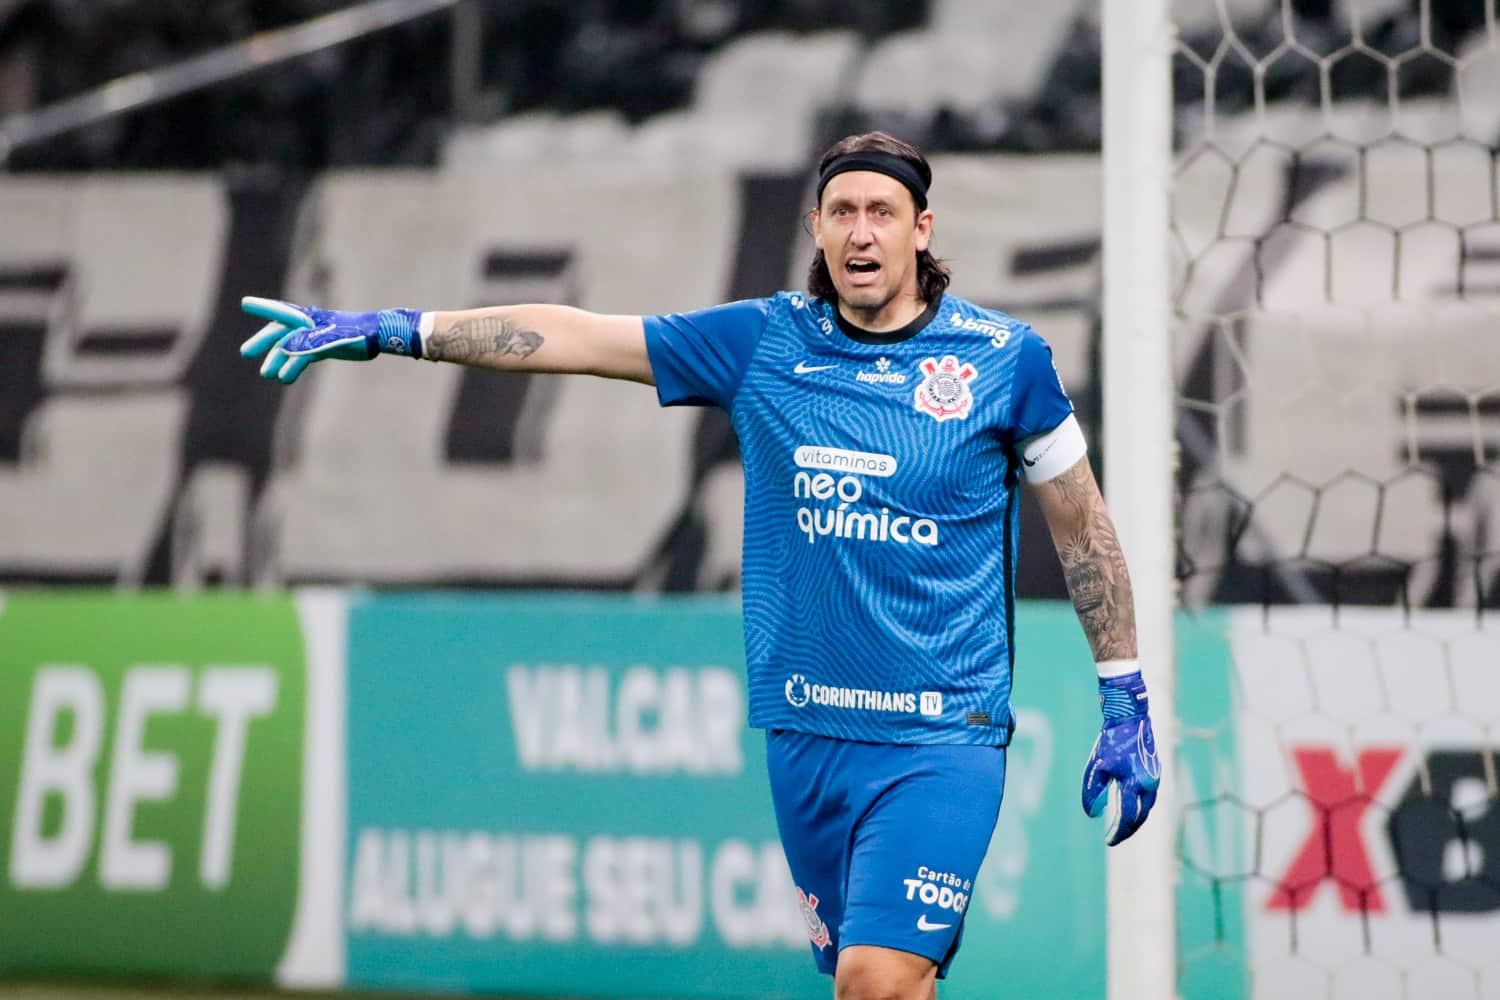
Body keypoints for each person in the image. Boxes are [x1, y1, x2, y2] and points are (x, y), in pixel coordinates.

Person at [239, 131, 1160, 1000]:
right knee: (875, 983)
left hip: (939, 739)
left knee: (876, 979)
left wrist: (1124, 696)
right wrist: (401, 328)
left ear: (922, 230)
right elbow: (579, 337)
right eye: (841, 212)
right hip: (805, 735)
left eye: (883, 212)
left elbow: (1083, 529)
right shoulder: (765, 342)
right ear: (818, 230)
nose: (861, 232)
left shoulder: (1005, 362)